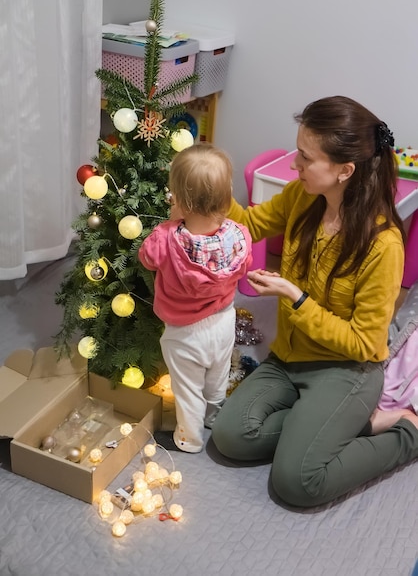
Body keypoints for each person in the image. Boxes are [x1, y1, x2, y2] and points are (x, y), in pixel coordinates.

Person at [211, 95, 418, 507]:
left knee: (298, 481)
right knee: (229, 436)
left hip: (346, 370)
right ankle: (335, 426)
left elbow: (365, 344)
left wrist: (295, 296)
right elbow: (249, 224)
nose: (295, 165)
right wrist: (209, 187)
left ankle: (406, 433)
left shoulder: (383, 244)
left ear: (345, 170)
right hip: (288, 358)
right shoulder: (302, 197)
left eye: (306, 158)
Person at [139, 143, 252, 453]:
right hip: (224, 321)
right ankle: (214, 416)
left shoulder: (166, 237)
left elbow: (147, 258)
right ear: (227, 197)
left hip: (184, 333)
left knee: (187, 389)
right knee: (217, 374)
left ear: (178, 200)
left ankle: (189, 439)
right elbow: (244, 267)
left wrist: (172, 220)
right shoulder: (239, 236)